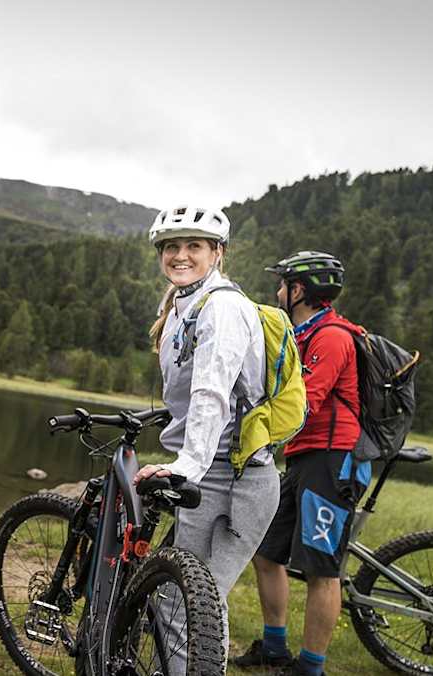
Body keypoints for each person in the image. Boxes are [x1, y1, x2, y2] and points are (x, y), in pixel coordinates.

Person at [134, 206, 280, 674]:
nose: (180, 255)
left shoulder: (222, 307)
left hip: (238, 479)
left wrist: (185, 468)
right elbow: (187, 395)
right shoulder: (181, 306)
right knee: (177, 596)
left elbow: (211, 391)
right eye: (171, 247)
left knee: (193, 604)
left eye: (194, 246)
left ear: (218, 253)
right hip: (212, 472)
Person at [231, 250, 367, 676]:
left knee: (321, 570)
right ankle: (274, 648)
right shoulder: (303, 333)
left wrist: (253, 429)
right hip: (304, 458)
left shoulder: (332, 337)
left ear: (300, 290)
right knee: (267, 552)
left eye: (283, 284)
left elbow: (305, 401)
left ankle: (310, 668)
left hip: (333, 461)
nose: (277, 292)